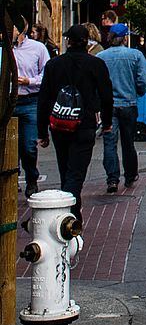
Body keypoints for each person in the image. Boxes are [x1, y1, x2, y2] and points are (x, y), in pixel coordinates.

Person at [37, 25, 114, 222]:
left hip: (60, 125)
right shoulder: (96, 64)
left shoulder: (54, 65)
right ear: (87, 42)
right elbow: (106, 97)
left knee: (66, 170)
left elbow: (44, 99)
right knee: (76, 173)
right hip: (84, 124)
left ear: (68, 41)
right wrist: (106, 123)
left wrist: (42, 131)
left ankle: (71, 214)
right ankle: (68, 217)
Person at [97, 24, 146, 193]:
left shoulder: (101, 57)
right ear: (125, 38)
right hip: (128, 104)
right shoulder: (135, 55)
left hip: (108, 106)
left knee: (109, 143)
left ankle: (112, 179)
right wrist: (138, 91)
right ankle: (130, 175)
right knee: (128, 142)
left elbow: (96, 82)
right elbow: (143, 79)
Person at [13, 24, 50, 198]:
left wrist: (30, 81)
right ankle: (11, 179)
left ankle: (31, 180)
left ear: (21, 30)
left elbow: (46, 74)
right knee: (8, 145)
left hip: (30, 100)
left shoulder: (38, 48)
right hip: (8, 101)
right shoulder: (4, 48)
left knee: (28, 145)